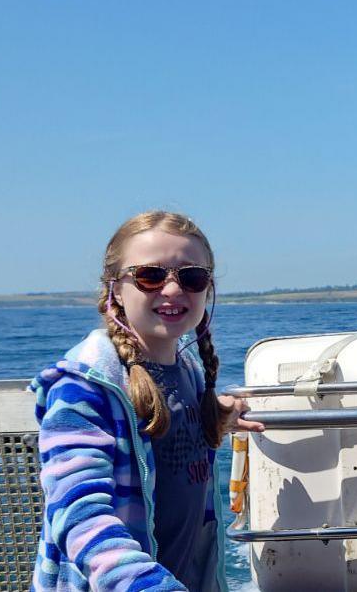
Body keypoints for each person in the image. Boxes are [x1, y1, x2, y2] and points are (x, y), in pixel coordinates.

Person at [30, 210, 264, 591]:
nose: (172, 290)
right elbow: (77, 513)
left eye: (191, 276)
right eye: (150, 276)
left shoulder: (188, 372)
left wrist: (216, 417)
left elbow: (164, 436)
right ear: (116, 289)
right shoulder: (83, 389)